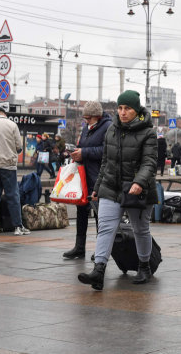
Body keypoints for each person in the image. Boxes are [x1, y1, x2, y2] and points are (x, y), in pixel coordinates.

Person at [78, 90, 158, 290]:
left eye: (128, 108)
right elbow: (106, 161)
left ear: (136, 109)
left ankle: (144, 266)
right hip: (111, 187)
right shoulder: (112, 129)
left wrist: (139, 182)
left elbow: (149, 162)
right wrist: (97, 188)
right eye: (120, 108)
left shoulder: (148, 132)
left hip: (136, 190)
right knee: (105, 228)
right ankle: (99, 271)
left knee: (141, 230)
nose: (123, 112)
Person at [62, 101, 112, 259]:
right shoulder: (86, 128)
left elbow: (107, 150)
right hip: (84, 176)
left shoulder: (108, 127)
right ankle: (79, 247)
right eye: (85, 118)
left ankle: (100, 250)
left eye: (89, 118)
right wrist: (76, 151)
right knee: (81, 212)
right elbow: (83, 145)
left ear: (97, 116)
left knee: (99, 215)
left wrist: (85, 152)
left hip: (98, 177)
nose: (86, 121)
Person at [0, 106, 31, 236]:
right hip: (8, 166)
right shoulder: (12, 125)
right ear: (4, 114)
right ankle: (17, 227)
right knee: (13, 196)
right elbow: (19, 147)